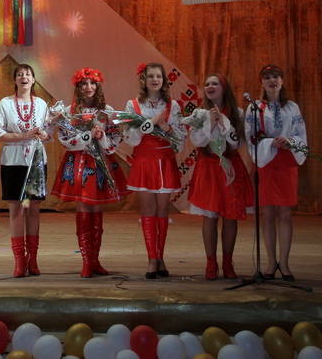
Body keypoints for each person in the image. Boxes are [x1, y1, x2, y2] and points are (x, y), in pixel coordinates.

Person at [51, 67, 129, 278]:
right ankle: (86, 261)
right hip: (79, 163)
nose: (88, 87)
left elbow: (114, 142)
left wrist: (101, 136)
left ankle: (95, 260)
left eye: (92, 83)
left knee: (96, 211)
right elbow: (66, 141)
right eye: (84, 84)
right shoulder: (69, 111)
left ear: (97, 86)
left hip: (100, 163)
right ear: (78, 87)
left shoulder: (106, 111)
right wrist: (87, 137)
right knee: (84, 209)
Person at [186, 74, 254, 280]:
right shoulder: (199, 113)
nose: (210, 86)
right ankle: (211, 262)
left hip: (230, 166)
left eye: (214, 83)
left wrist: (225, 126)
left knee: (230, 216)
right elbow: (197, 141)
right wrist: (211, 124)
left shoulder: (237, 112)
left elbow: (238, 143)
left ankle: (227, 262)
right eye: (207, 84)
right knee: (210, 216)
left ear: (224, 88)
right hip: (209, 167)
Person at [123, 63, 185, 279]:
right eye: (151, 76)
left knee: (162, 210)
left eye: (158, 76)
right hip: (144, 161)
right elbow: (129, 138)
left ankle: (160, 256)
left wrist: (164, 126)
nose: (155, 80)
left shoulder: (173, 105)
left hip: (165, 161)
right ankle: (152, 258)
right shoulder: (133, 105)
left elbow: (180, 138)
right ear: (144, 80)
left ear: (164, 80)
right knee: (148, 210)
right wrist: (150, 123)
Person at [245, 65, 307, 281]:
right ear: (261, 83)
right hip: (265, 161)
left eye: (275, 77)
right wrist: (271, 142)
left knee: (285, 214)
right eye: (267, 77)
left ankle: (285, 263)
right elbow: (250, 136)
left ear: (282, 81)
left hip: (286, 162)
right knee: (268, 214)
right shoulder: (255, 108)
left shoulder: (292, 107)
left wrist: (289, 141)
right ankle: (271, 262)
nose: (272, 81)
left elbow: (301, 134)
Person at [0, 63, 52, 278]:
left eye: (27, 74)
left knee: (33, 208)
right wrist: (23, 136)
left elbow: (49, 132)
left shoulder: (42, 104)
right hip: (13, 161)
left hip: (36, 161)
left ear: (33, 79)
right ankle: (19, 260)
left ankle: (32, 259)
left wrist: (44, 135)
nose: (23, 77)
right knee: (17, 210)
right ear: (15, 80)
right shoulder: (6, 103)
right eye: (19, 74)